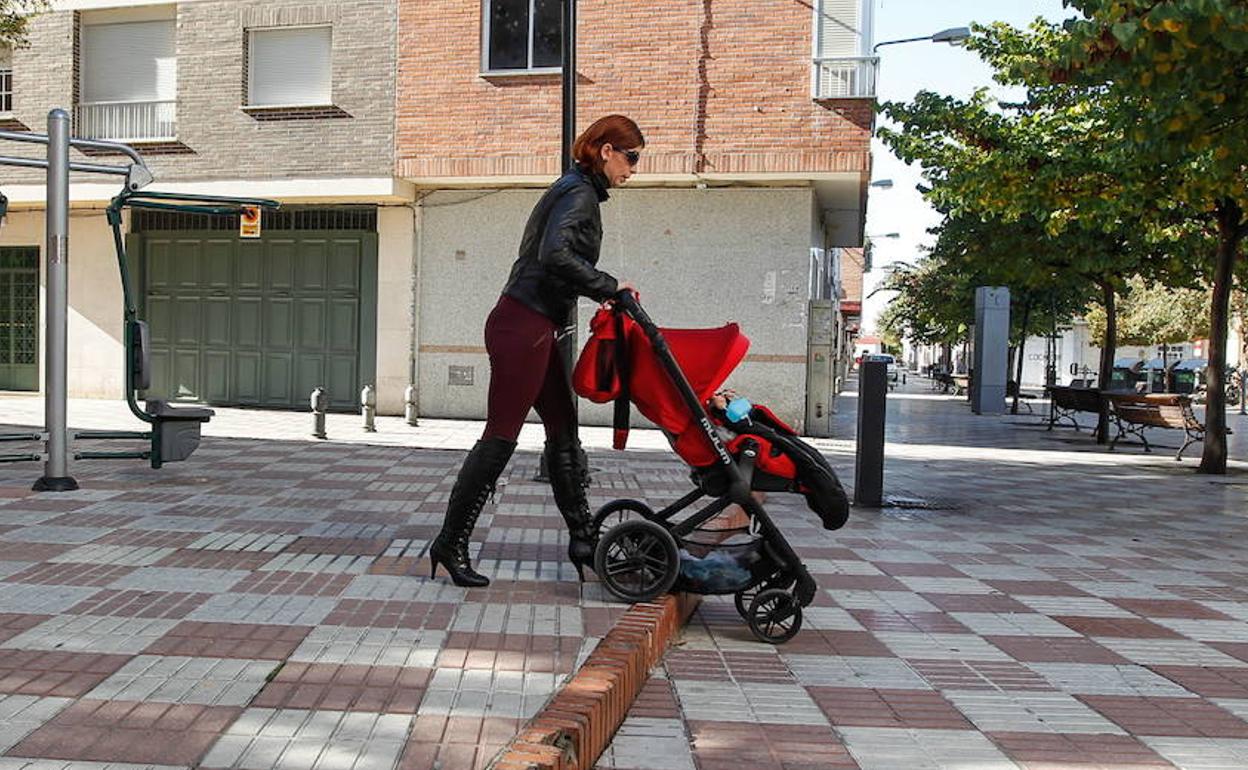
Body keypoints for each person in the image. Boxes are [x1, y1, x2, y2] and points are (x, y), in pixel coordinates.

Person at [429, 115, 645, 587]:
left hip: (535, 325)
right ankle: (451, 541)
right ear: (606, 150)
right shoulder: (579, 193)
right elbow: (555, 255)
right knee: (501, 436)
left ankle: (584, 540)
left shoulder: (574, 189)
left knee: (564, 430)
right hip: (521, 325)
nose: (634, 169)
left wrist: (603, 288)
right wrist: (607, 286)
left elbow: (557, 257)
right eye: (631, 158)